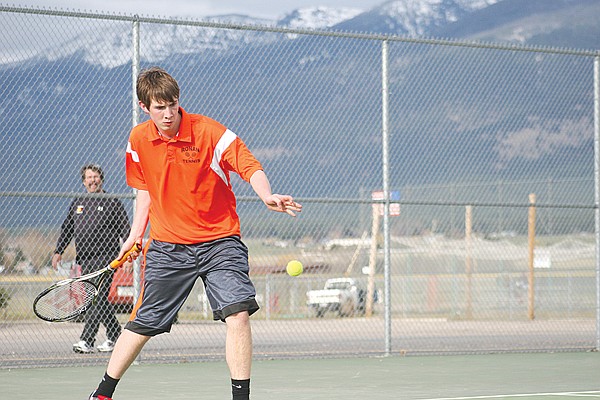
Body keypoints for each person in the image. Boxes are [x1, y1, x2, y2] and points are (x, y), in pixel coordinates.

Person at [88, 67, 302, 400]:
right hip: (168, 247)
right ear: (145, 107)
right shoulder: (138, 140)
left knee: (238, 313)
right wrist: (135, 234)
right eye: (160, 107)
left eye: (173, 104)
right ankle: (102, 393)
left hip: (220, 242)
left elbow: (250, 165)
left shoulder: (210, 132)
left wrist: (266, 195)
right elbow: (145, 188)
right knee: (144, 323)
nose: (169, 113)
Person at [52, 164, 130, 354]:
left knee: (96, 297)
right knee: (96, 298)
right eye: (89, 177)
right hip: (86, 259)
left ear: (101, 179)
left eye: (96, 176)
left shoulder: (112, 202)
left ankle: (86, 340)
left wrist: (127, 256)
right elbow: (67, 228)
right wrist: (58, 251)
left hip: (107, 258)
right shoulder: (78, 202)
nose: (93, 180)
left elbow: (125, 230)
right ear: (83, 181)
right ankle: (114, 336)